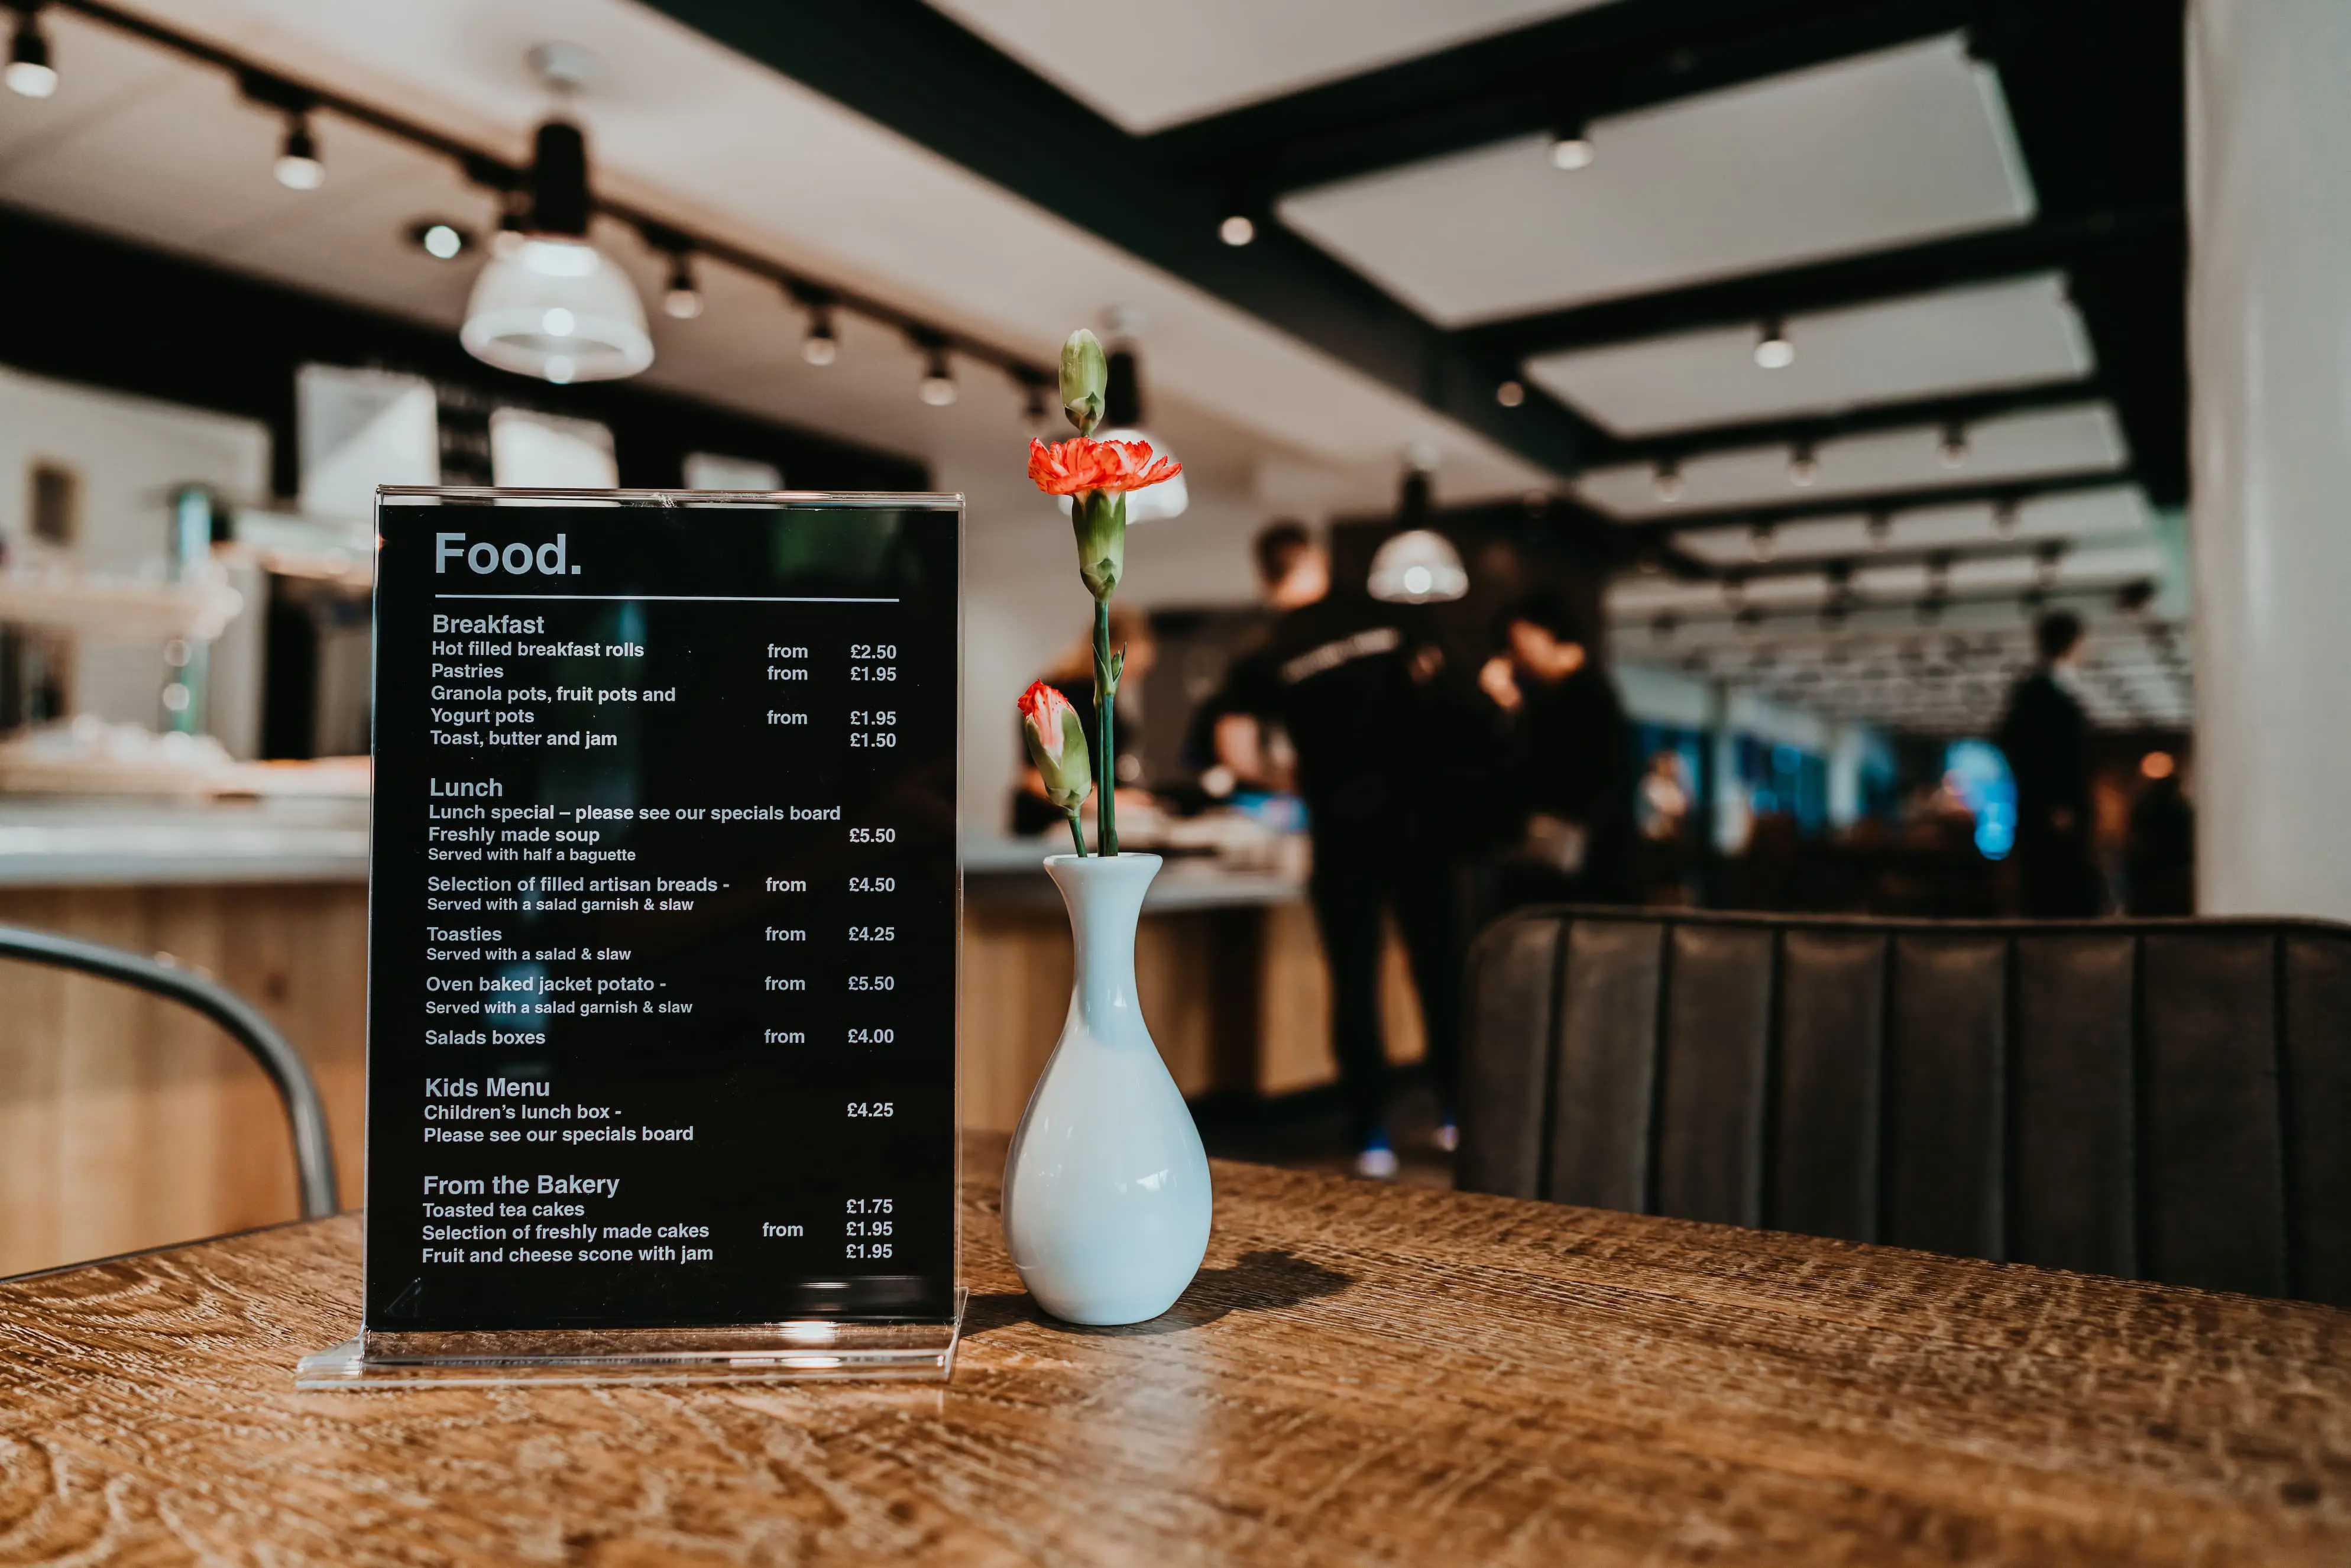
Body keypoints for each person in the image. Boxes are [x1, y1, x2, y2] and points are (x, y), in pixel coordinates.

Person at [1212, 521, 1462, 1180]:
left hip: (1341, 829)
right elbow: (1440, 695)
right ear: (1317, 560)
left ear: (1266, 577)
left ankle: (1370, 1136)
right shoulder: (1386, 615)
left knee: (1355, 981)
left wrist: (1294, 778)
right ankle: (1456, 1114)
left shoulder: (1264, 649)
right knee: (1439, 970)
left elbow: (1234, 750)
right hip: (1421, 821)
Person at [1478, 592, 1636, 906]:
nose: (1515, 655)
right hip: (1575, 859)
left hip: (1573, 864)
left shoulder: (1580, 697)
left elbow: (1538, 770)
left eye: (1518, 640)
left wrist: (1507, 706)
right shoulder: (1573, 694)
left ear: (1542, 633)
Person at [1012, 607, 1157, 838]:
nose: (1130, 679)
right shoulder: (1053, 694)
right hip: (1051, 823)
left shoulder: (1102, 695)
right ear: (1113, 650)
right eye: (1133, 670)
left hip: (1090, 817)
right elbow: (1033, 776)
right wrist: (1105, 800)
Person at [1994, 610, 2103, 916]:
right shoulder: (2037, 692)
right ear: (2074, 643)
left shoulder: (2050, 688)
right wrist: (2051, 804)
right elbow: (2019, 746)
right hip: (2053, 818)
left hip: (2059, 815)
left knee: (2064, 893)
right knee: (2056, 896)